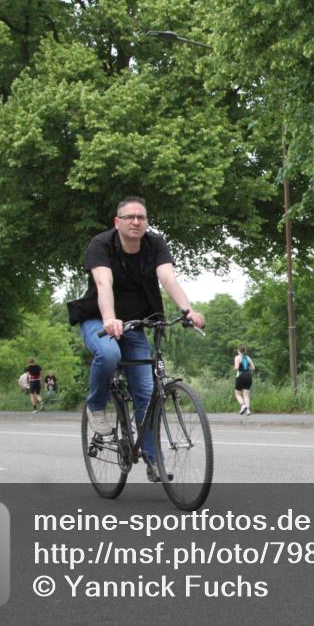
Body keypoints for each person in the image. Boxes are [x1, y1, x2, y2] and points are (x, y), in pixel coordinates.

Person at [68, 195, 205, 482]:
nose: (135, 221)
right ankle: (96, 406)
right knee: (109, 354)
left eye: (141, 217)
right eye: (129, 217)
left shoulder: (155, 244)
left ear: (146, 222)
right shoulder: (101, 244)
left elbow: (167, 278)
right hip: (98, 319)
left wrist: (188, 310)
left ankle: (154, 462)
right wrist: (109, 318)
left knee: (146, 394)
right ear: (117, 222)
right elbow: (103, 282)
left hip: (135, 324)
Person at [234, 345, 255, 415]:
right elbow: (253, 368)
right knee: (246, 394)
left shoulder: (237, 357)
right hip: (248, 376)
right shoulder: (248, 357)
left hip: (241, 376)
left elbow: (236, 367)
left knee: (237, 394)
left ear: (238, 350)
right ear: (245, 351)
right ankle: (248, 410)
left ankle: (243, 405)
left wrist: (235, 367)